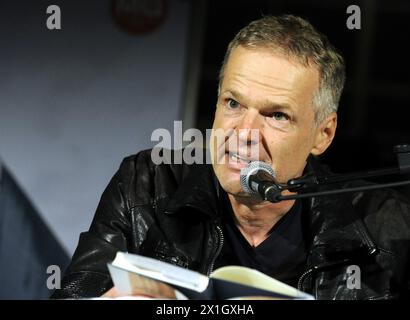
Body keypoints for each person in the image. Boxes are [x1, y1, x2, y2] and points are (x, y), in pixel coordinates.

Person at [52, 15, 410, 300]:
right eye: (233, 103)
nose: (243, 133)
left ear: (323, 134)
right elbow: (77, 291)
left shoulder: (386, 223)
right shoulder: (145, 185)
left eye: (276, 115)